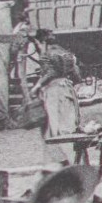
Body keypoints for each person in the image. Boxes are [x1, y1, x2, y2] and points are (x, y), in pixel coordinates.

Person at [34, 30, 82, 163]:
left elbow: (50, 72)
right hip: (67, 90)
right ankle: (76, 160)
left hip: (54, 93)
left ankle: (67, 163)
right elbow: (77, 74)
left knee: (57, 131)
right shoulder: (66, 53)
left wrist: (37, 85)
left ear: (41, 41)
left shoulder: (45, 55)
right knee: (70, 128)